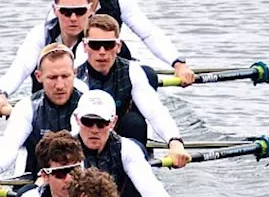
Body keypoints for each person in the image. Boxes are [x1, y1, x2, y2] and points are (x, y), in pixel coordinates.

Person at [73, 90, 192, 197]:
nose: (94, 129)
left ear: (113, 122)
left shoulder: (127, 148)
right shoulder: (65, 150)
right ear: (77, 120)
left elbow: (150, 187)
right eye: (88, 121)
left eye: (101, 123)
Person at [0, 43, 85, 197]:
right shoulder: (27, 107)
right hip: (38, 175)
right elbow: (9, 143)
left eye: (65, 76)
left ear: (74, 73)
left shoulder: (88, 104)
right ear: (39, 77)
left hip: (80, 177)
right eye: (52, 78)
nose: (60, 85)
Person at [79, 14, 191, 166]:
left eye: (109, 45)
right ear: (85, 46)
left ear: (118, 47)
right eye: (95, 45)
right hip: (83, 135)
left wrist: (175, 142)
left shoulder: (131, 70)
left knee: (135, 123)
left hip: (117, 132)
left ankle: (136, 165)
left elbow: (154, 111)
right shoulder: (74, 74)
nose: (102, 51)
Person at [0, 0, 94, 117]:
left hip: (89, 116)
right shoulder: (40, 34)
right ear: (55, 10)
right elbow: (21, 66)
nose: (73, 18)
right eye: (66, 11)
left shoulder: (100, 40)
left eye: (80, 11)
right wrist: (1, 93)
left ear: (90, 10)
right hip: (44, 111)